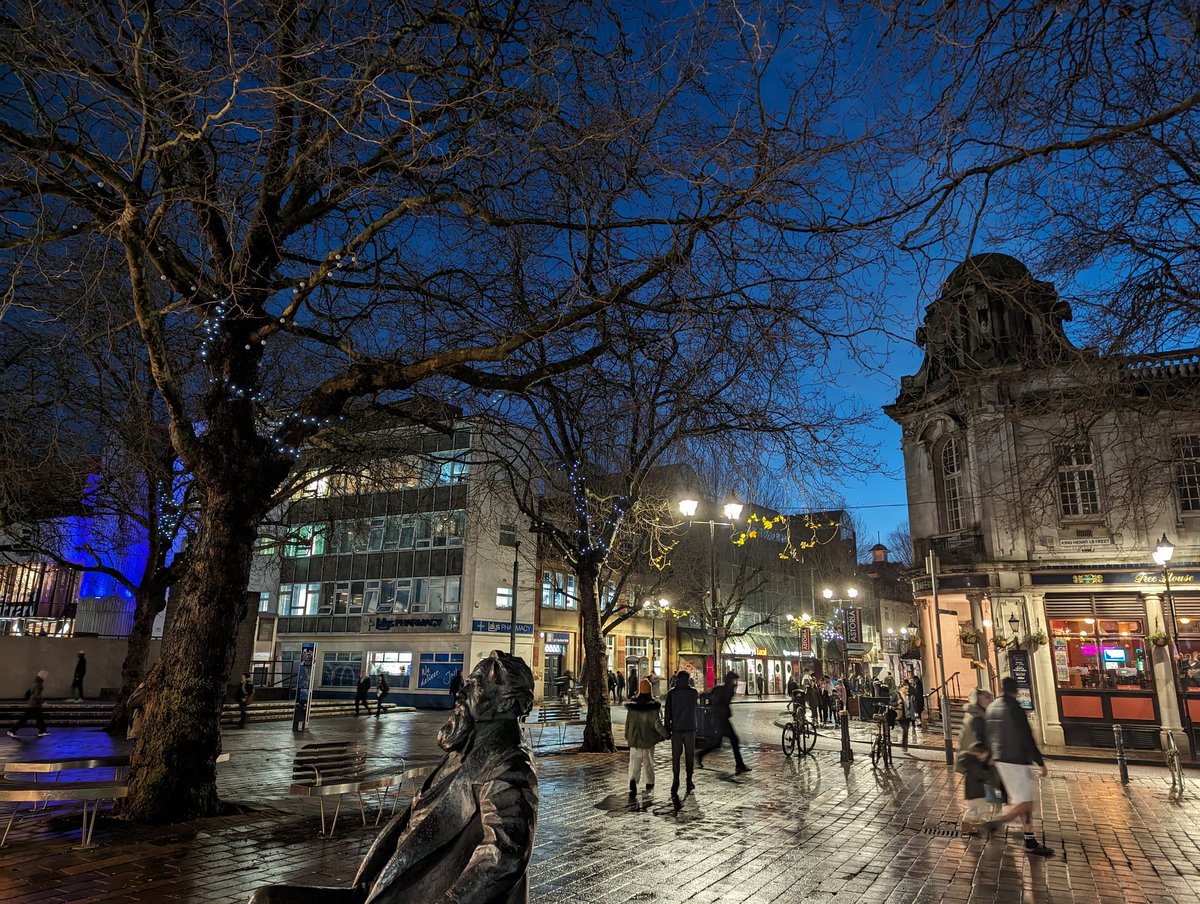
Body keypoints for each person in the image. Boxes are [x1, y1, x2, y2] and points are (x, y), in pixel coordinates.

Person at [251, 650, 538, 904]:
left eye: (476, 685)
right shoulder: (467, 750)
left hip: (415, 896)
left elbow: (504, 856)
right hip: (379, 890)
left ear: (505, 704)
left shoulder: (507, 766)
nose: (461, 693)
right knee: (266, 898)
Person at [985, 676, 1053, 856]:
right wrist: (1040, 762)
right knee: (1026, 802)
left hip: (1000, 759)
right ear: (1015, 690)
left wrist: (991, 754)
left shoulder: (992, 707)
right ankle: (998, 823)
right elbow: (1026, 736)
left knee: (1025, 801)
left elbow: (988, 733)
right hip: (1016, 760)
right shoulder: (1014, 708)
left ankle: (1030, 839)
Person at [697, 671, 749, 774]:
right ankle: (740, 765)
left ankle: (701, 755)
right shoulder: (727, 690)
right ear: (730, 681)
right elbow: (719, 700)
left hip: (719, 718)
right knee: (734, 740)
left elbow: (710, 695)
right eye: (734, 681)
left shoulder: (720, 688)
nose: (736, 683)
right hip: (722, 720)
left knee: (717, 742)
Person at [624, 678, 665, 796]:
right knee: (648, 761)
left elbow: (628, 723)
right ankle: (649, 781)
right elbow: (657, 724)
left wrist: (627, 735)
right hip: (648, 740)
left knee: (634, 761)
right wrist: (666, 734)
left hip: (635, 739)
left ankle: (632, 779)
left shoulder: (632, 707)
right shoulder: (652, 707)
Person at [664, 670, 699, 796]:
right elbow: (696, 709)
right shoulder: (693, 692)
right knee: (689, 756)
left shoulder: (671, 693)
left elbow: (667, 713)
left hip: (677, 729)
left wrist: (667, 729)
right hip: (690, 728)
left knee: (676, 757)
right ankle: (689, 780)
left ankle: (675, 780)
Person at [956, 741, 996, 834]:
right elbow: (980, 775)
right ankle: (985, 824)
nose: (984, 758)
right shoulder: (974, 763)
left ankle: (967, 826)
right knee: (982, 809)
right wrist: (989, 771)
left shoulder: (972, 762)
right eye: (984, 756)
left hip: (973, 793)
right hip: (976, 793)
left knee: (973, 810)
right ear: (978, 754)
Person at [8, 669, 49, 738]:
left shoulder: (35, 682)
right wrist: (43, 701)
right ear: (43, 676)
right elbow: (36, 695)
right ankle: (12, 730)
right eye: (46, 675)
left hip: (34, 703)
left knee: (39, 718)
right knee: (25, 718)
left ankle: (42, 731)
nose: (46, 677)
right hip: (34, 704)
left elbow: (31, 692)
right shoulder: (38, 684)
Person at [959, 687, 993, 751]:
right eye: (987, 697)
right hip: (974, 757)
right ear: (979, 699)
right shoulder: (976, 717)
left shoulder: (973, 713)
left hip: (969, 755)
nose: (990, 700)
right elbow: (978, 742)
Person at [890, 680, 916, 750]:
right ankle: (904, 746)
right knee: (905, 729)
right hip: (901, 715)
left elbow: (910, 706)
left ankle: (905, 745)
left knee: (906, 730)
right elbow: (891, 703)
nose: (907, 690)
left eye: (907, 688)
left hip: (907, 716)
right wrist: (897, 703)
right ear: (901, 688)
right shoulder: (896, 695)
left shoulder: (908, 696)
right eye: (905, 688)